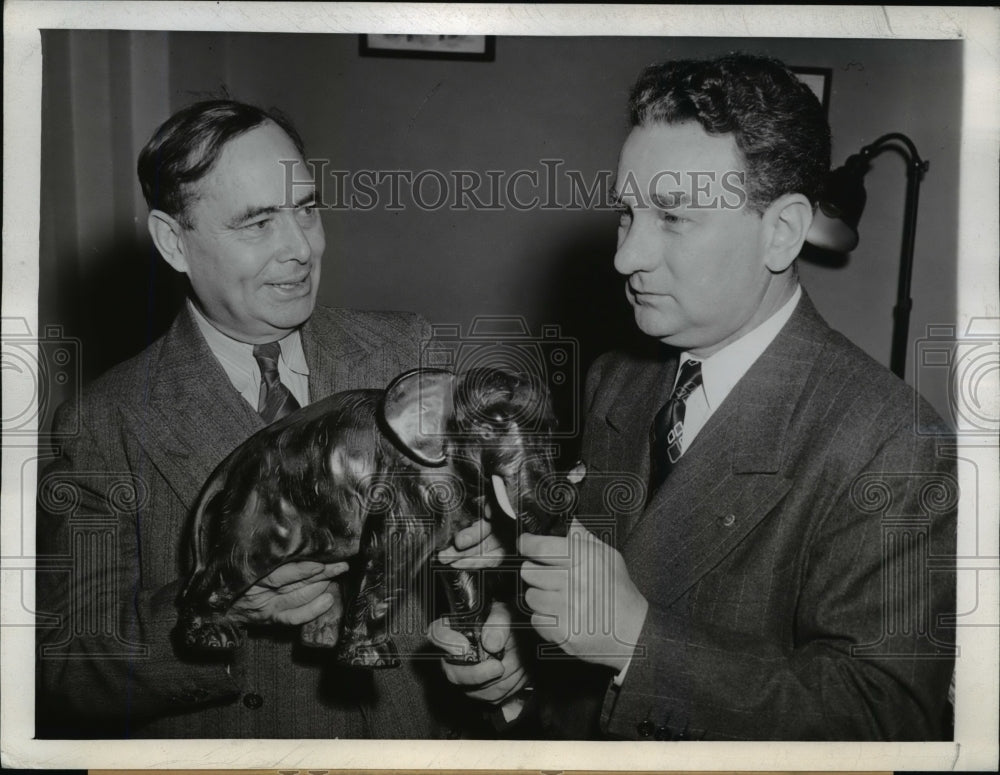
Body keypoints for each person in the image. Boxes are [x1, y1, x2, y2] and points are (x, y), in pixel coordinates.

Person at [431, 53, 956, 741]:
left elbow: (888, 720)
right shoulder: (620, 375)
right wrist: (526, 661)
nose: (625, 256)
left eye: (673, 217)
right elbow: (604, 607)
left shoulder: (892, 440)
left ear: (783, 231)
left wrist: (637, 642)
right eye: (627, 213)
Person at [35, 99, 492, 739]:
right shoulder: (106, 422)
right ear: (174, 241)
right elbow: (66, 668)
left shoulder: (405, 354)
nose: (300, 248)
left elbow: (486, 557)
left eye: (306, 209)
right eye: (257, 223)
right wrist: (222, 603)